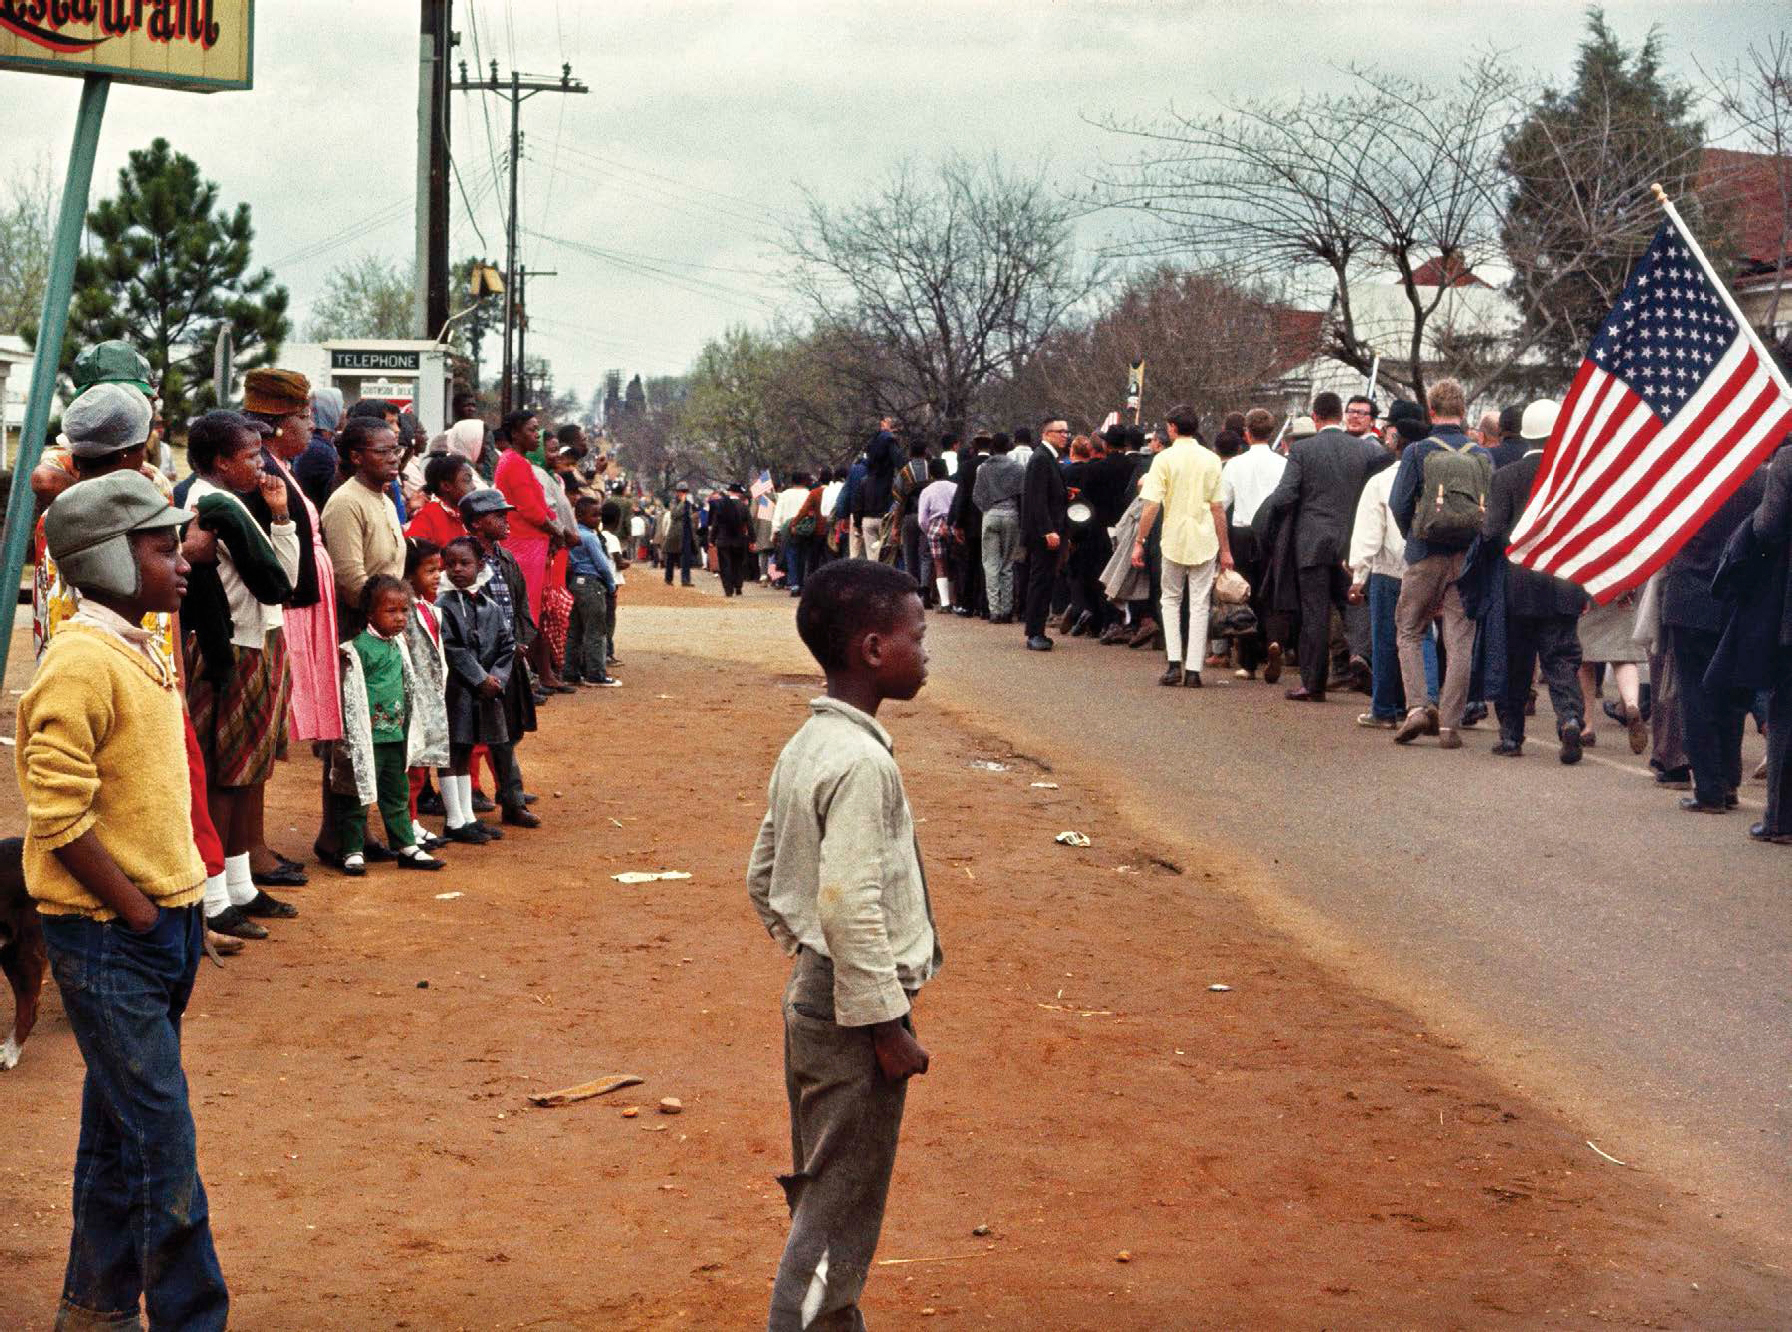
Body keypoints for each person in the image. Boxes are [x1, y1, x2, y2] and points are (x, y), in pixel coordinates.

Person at [22, 469, 231, 1328]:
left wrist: (178, 909)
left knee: (119, 1131)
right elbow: (58, 814)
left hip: (157, 926)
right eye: (159, 546)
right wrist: (143, 913)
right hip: (110, 936)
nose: (182, 558)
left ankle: (96, 1307)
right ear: (108, 559)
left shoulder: (138, 644)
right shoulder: (77, 659)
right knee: (162, 1146)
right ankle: (192, 1318)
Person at [746, 559, 940, 1330]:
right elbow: (849, 902)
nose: (926, 652)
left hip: (819, 995)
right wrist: (885, 1027)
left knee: (828, 1177)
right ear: (871, 649)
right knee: (841, 1200)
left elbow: (764, 871)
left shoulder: (812, 741)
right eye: (917, 638)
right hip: (856, 1012)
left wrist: (807, 957)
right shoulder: (861, 763)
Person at [181, 411, 303, 936]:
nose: (262, 464)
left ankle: (238, 886)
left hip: (242, 641)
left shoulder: (205, 496)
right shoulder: (218, 505)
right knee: (227, 773)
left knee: (242, 770)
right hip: (235, 646)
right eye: (251, 455)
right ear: (220, 461)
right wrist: (281, 519)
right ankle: (214, 898)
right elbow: (281, 581)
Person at [1253, 391, 1392, 701]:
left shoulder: (1303, 450)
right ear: (1340, 415)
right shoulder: (1365, 452)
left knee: (1315, 613)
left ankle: (1313, 683)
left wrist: (1267, 524)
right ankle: (1360, 654)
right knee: (1354, 603)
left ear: (1315, 418)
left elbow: (1287, 494)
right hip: (1351, 542)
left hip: (1311, 542)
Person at [1479, 400, 1588, 761]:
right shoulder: (1574, 478)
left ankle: (1512, 736)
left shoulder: (1506, 478)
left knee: (1516, 663)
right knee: (1561, 659)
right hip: (1564, 583)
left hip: (1518, 585)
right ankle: (1570, 718)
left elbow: (1492, 531)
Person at [1388, 379, 1493, 748]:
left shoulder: (1417, 451)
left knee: (1410, 630)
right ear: (1464, 411)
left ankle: (1417, 706)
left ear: (1430, 410)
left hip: (1424, 552)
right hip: (1467, 558)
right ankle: (1450, 725)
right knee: (1460, 639)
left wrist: (1414, 536)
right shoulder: (1481, 455)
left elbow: (1399, 503)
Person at [1663, 464, 1768, 814]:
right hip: (1736, 598)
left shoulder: (1693, 472)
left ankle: (1708, 788)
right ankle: (1727, 782)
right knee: (1730, 696)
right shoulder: (1759, 477)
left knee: (1695, 696)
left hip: (1691, 594)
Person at [328, 576, 446, 874]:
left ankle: (406, 845)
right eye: (390, 611)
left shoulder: (399, 644)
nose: (399, 618)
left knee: (397, 793)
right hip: (367, 738)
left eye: (404, 611)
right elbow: (349, 692)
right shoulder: (356, 649)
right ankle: (352, 850)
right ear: (370, 614)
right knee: (357, 795)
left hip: (395, 734)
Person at [1347, 407, 1439, 727]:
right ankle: (1426, 700)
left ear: (1397, 438)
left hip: (1388, 568)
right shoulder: (1435, 476)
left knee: (1386, 638)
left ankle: (1385, 708)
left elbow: (1370, 534)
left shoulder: (1382, 480)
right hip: (1425, 564)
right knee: (1422, 634)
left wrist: (1359, 574)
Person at [1131, 404, 1232, 687]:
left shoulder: (1163, 459)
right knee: (1200, 603)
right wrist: (1225, 549)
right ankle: (1194, 670)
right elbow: (1217, 508)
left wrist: (1140, 540)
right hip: (1205, 538)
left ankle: (1174, 662)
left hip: (1173, 537)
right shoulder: (1211, 459)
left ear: (1173, 428)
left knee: (1171, 600)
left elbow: (1151, 505)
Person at [460, 489, 541, 827]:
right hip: (479, 664)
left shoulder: (506, 559)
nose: (506, 521)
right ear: (478, 522)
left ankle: (508, 797)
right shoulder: (463, 560)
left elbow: (521, 605)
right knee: (481, 736)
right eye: (498, 516)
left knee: (513, 728)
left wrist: (521, 641)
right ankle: (506, 800)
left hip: (508, 660)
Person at [437, 536, 516, 843]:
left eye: (465, 563)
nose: (457, 569)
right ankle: (454, 819)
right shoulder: (443, 604)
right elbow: (452, 648)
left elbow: (506, 645)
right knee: (453, 751)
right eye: (450, 564)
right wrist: (480, 678)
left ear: (480, 566)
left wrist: (497, 678)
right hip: (457, 689)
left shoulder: (490, 606)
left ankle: (467, 815)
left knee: (467, 749)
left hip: (485, 693)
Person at [320, 416, 408, 637]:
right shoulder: (346, 502)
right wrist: (386, 616)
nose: (393, 459)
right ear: (356, 457)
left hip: (388, 626)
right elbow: (350, 580)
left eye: (395, 451)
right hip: (360, 630)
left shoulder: (385, 500)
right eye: (382, 452)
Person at [1220, 408, 1288, 678]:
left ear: (1246, 433)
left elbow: (1223, 503)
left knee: (1243, 594)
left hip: (1242, 532)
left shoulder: (1234, 465)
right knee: (1272, 590)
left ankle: (1248, 660)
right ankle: (1274, 640)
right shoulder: (1283, 464)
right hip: (1273, 533)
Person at [1020, 418, 1070, 650]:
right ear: (1047, 433)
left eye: (1067, 432)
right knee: (1040, 580)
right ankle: (1034, 631)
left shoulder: (1048, 458)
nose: (1065, 435)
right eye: (1061, 431)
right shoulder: (1041, 459)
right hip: (1044, 533)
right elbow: (1035, 499)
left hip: (1050, 528)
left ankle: (1037, 629)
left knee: (1046, 579)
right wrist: (1047, 530)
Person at [564, 495, 622, 687]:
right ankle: (595, 674)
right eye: (594, 515)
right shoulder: (590, 537)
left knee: (575, 630)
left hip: (575, 584)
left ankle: (571, 671)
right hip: (591, 585)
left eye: (600, 515)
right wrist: (611, 585)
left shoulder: (572, 535)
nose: (598, 519)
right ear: (580, 515)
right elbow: (602, 565)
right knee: (596, 631)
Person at [973, 433, 1025, 624]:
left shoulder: (984, 468)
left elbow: (977, 495)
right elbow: (1022, 495)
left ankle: (994, 610)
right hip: (1011, 515)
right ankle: (1007, 609)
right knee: (1007, 564)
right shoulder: (1018, 469)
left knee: (990, 564)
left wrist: (987, 508)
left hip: (991, 514)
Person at [949, 434, 991, 617]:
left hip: (971, 523)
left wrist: (957, 522)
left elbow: (962, 496)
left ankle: (968, 604)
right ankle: (987, 604)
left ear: (973, 447)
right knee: (989, 564)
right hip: (990, 518)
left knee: (970, 564)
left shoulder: (966, 468)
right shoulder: (994, 466)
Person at [916, 456, 958, 611]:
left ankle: (945, 603)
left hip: (934, 526)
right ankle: (954, 600)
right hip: (953, 525)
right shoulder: (954, 487)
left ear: (931, 474)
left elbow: (922, 518)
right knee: (953, 564)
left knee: (939, 564)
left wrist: (928, 530)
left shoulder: (927, 491)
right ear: (946, 471)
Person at [293, 386, 344, 510]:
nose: (344, 412)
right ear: (330, 412)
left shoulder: (321, 444)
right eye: (341, 407)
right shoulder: (318, 451)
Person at [860, 416, 902, 561]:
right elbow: (900, 463)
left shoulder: (866, 477)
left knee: (872, 558)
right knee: (887, 557)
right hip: (884, 510)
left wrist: (857, 520)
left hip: (868, 513)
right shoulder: (889, 441)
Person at [709, 481, 753, 597]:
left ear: (730, 492)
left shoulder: (721, 505)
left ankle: (728, 589)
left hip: (723, 539)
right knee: (738, 563)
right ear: (739, 493)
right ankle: (738, 586)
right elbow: (749, 524)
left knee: (725, 565)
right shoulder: (743, 506)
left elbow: (716, 524)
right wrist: (752, 540)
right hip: (739, 539)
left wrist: (711, 539)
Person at [660, 481, 698, 586]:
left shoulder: (688, 503)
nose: (683, 493)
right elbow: (674, 514)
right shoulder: (674, 502)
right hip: (675, 534)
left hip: (686, 533)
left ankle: (686, 580)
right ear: (677, 492)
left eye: (685, 491)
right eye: (681, 491)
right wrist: (682, 502)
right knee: (671, 557)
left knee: (686, 558)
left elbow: (692, 515)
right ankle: (668, 578)